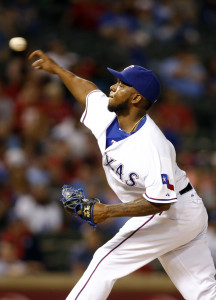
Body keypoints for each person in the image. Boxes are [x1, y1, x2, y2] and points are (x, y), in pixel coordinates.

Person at [29, 50, 216, 300]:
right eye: (116, 82)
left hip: (172, 212)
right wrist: (58, 70)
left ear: (136, 97)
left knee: (104, 260)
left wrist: (106, 211)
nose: (113, 88)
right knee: (203, 292)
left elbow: (162, 201)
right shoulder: (109, 117)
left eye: (121, 84)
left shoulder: (152, 144)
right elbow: (87, 91)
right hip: (183, 211)